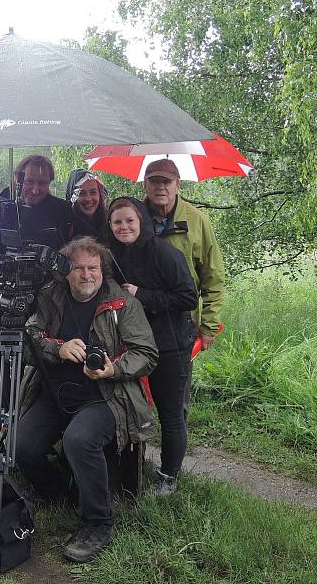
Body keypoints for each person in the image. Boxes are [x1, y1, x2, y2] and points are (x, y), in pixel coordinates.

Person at [16, 236, 158, 563]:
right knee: (22, 444)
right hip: (55, 393)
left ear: (102, 270)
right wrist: (58, 348)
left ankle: (99, 522)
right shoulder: (51, 297)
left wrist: (113, 369)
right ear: (66, 271)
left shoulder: (123, 303)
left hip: (107, 396)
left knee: (78, 440)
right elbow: (28, 340)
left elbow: (147, 354)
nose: (85, 275)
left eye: (92, 268)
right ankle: (58, 491)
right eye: (78, 268)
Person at [108, 197, 198, 495]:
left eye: (129, 221)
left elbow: (188, 298)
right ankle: (133, 466)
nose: (124, 227)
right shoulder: (114, 256)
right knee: (134, 409)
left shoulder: (164, 253)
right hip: (134, 348)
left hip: (170, 346)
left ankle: (169, 474)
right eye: (117, 222)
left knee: (170, 413)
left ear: (141, 221)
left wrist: (141, 294)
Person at [141, 158, 226, 417]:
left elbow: (214, 277)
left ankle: (173, 449)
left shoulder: (197, 221)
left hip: (180, 322)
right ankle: (136, 453)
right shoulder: (134, 217)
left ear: (178, 185)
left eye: (166, 181)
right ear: (145, 185)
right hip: (138, 320)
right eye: (154, 181)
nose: (161, 187)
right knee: (135, 396)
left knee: (176, 402)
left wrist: (209, 326)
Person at [1, 155, 73, 250]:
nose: (35, 190)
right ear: (18, 180)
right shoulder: (1, 203)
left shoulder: (62, 210)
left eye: (42, 183)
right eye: (29, 182)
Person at [65, 168, 110, 244]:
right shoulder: (65, 228)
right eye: (81, 193)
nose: (88, 199)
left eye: (93, 192)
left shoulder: (111, 223)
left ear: (100, 194)